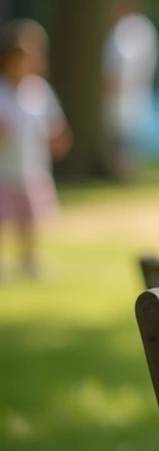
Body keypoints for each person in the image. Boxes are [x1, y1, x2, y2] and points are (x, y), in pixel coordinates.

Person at [0, 20, 71, 279]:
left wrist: (58, 138)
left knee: (29, 220)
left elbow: (53, 123)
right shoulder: (2, 92)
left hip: (32, 167)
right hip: (4, 169)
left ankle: (28, 259)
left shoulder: (39, 91)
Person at [104, 0, 158, 176]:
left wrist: (112, 85)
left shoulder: (127, 30)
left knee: (124, 136)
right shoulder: (143, 29)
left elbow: (120, 66)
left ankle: (126, 173)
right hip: (135, 93)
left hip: (124, 95)